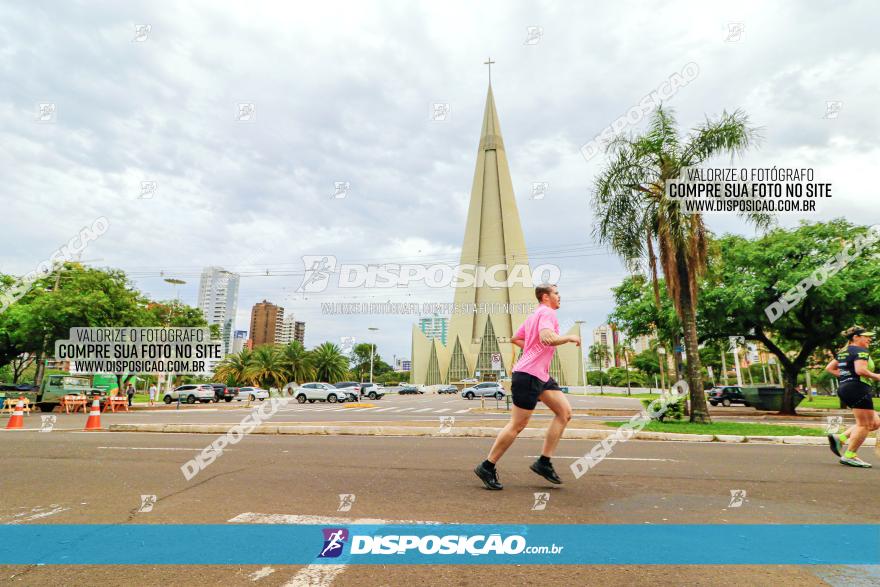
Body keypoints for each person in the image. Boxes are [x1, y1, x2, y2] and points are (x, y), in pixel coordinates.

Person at [473, 284, 581, 490]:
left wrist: (531, 349)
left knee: (564, 413)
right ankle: (487, 466)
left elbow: (516, 338)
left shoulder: (534, 316)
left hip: (540, 375)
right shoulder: (547, 312)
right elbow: (547, 337)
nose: (560, 296)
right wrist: (569, 337)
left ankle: (544, 462)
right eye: (556, 293)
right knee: (517, 425)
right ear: (545, 297)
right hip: (529, 375)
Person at [825, 326, 880, 467]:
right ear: (855, 337)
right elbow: (860, 370)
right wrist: (877, 376)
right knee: (865, 424)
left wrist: (846, 377)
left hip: (846, 388)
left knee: (874, 423)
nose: (869, 339)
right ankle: (850, 455)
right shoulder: (861, 351)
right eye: (866, 336)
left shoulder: (844, 352)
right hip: (857, 389)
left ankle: (840, 438)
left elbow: (829, 368)